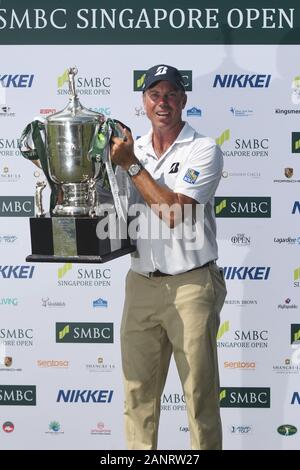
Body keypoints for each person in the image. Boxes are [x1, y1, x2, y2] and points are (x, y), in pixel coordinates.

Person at [109, 64, 227, 450]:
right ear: (144, 102)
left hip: (191, 285)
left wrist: (131, 165)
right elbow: (114, 211)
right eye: (155, 94)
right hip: (141, 283)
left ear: (183, 101)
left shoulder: (203, 148)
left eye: (171, 94)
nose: (163, 102)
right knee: (137, 395)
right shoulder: (130, 148)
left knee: (199, 397)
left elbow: (176, 212)